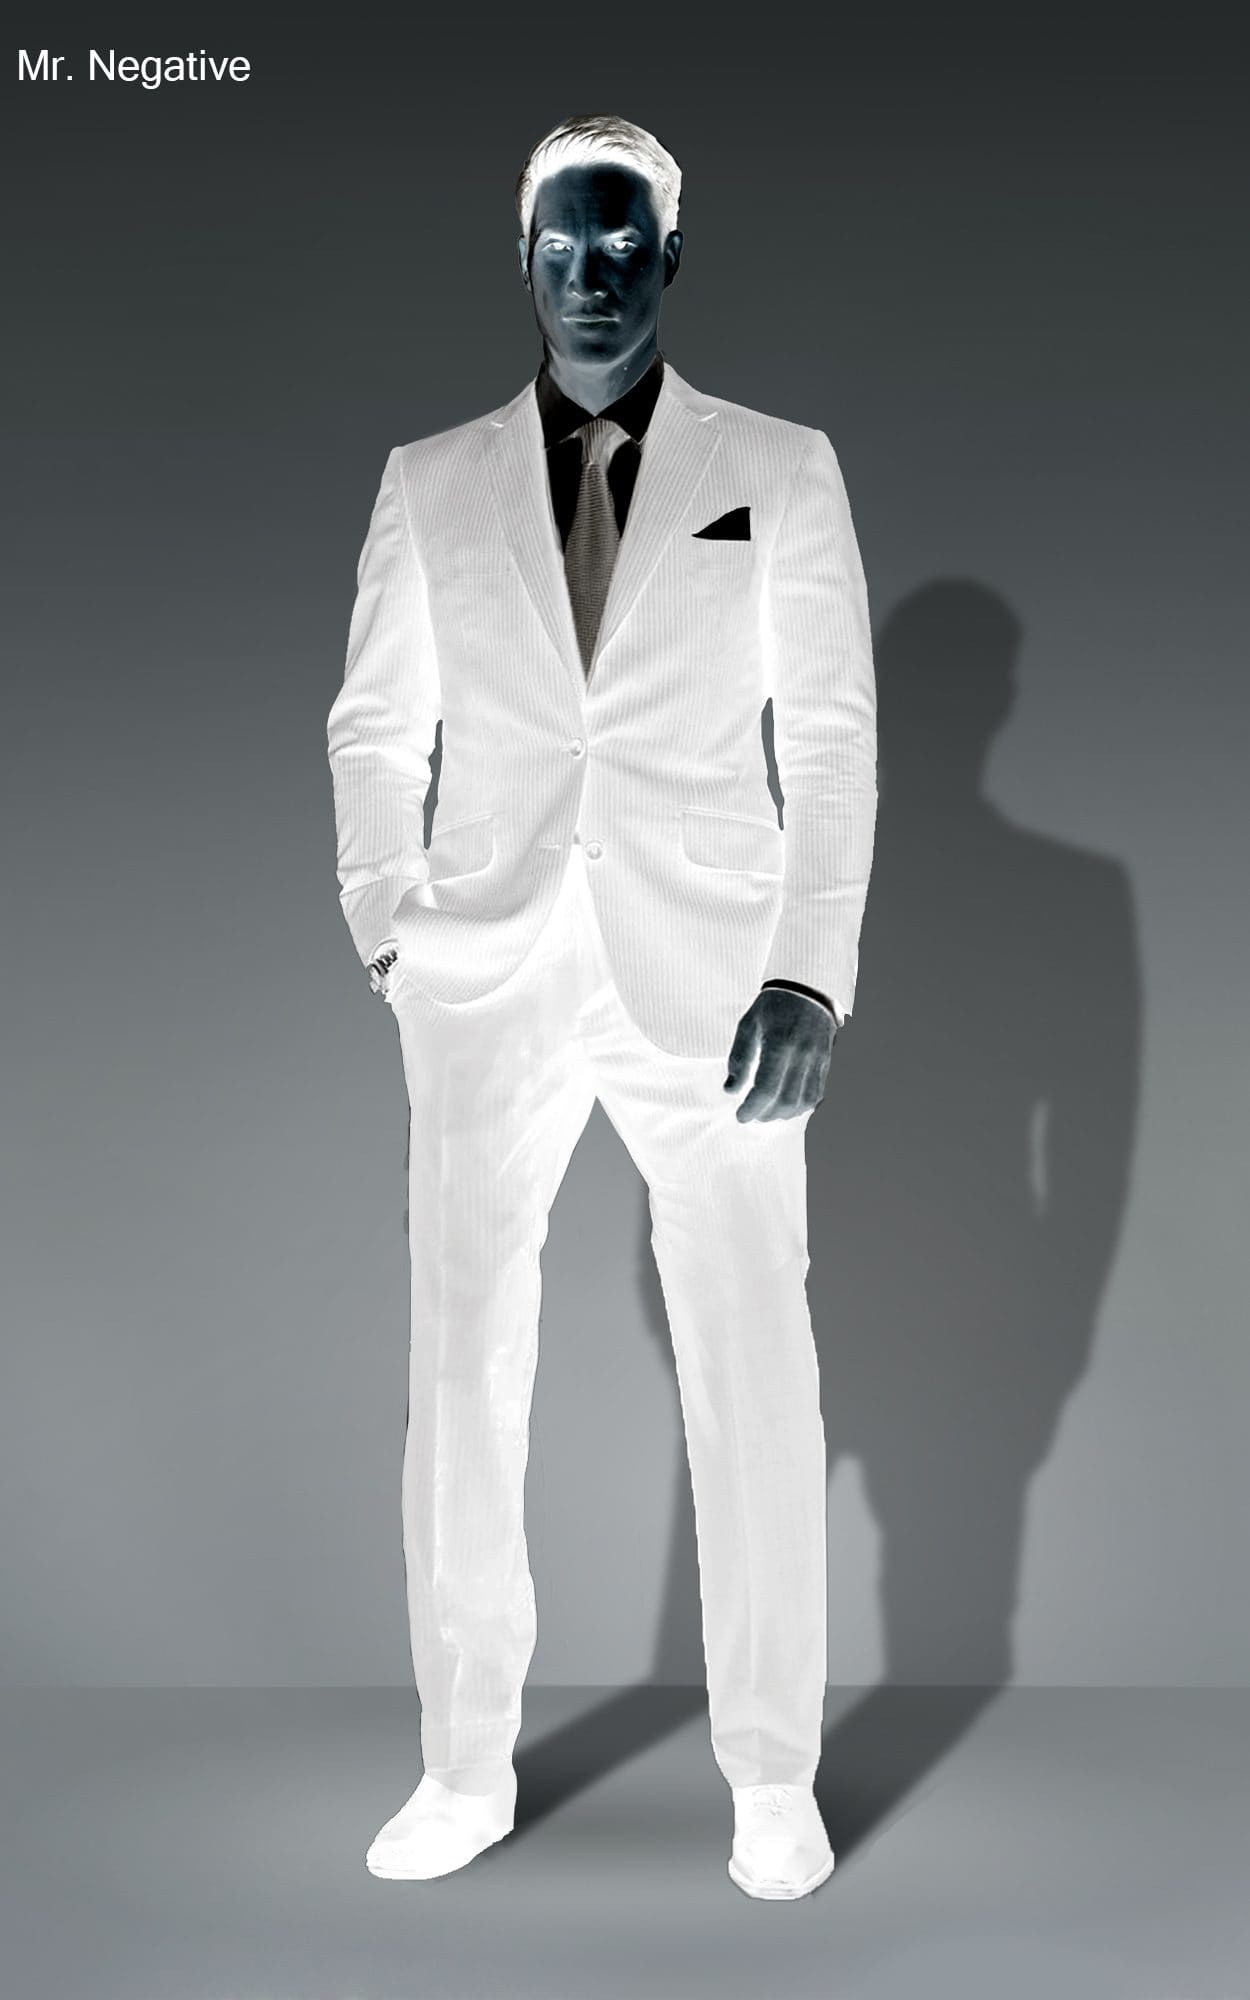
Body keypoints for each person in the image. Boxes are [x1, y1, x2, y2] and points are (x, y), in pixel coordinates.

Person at [327, 112, 877, 1900]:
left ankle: (771, 1775)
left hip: (714, 981)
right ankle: (462, 1766)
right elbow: (373, 726)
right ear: (523, 258)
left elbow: (832, 738)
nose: (590, 271)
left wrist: (805, 968)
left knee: (751, 1361)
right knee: (460, 1366)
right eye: (560, 243)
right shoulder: (429, 481)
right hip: (482, 975)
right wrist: (388, 928)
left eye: (619, 240)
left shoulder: (773, 468)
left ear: (667, 256)